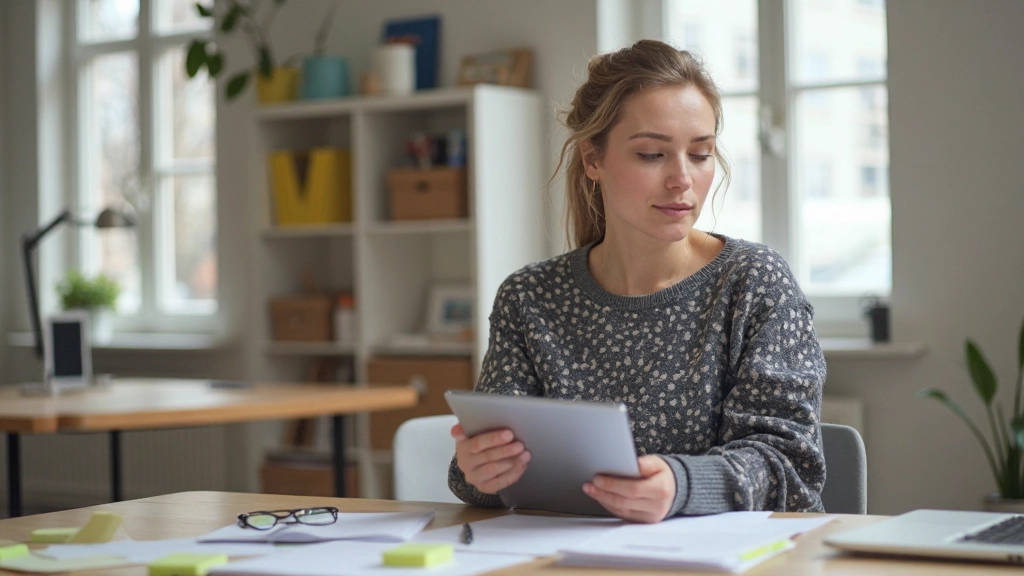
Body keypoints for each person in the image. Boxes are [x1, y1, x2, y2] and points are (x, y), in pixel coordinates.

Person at [448, 39, 826, 523]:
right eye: (652, 154)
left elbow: (791, 466)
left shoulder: (755, 283)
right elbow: (487, 476)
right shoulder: (529, 298)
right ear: (592, 160)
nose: (682, 179)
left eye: (700, 153)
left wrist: (683, 485)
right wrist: (477, 469)